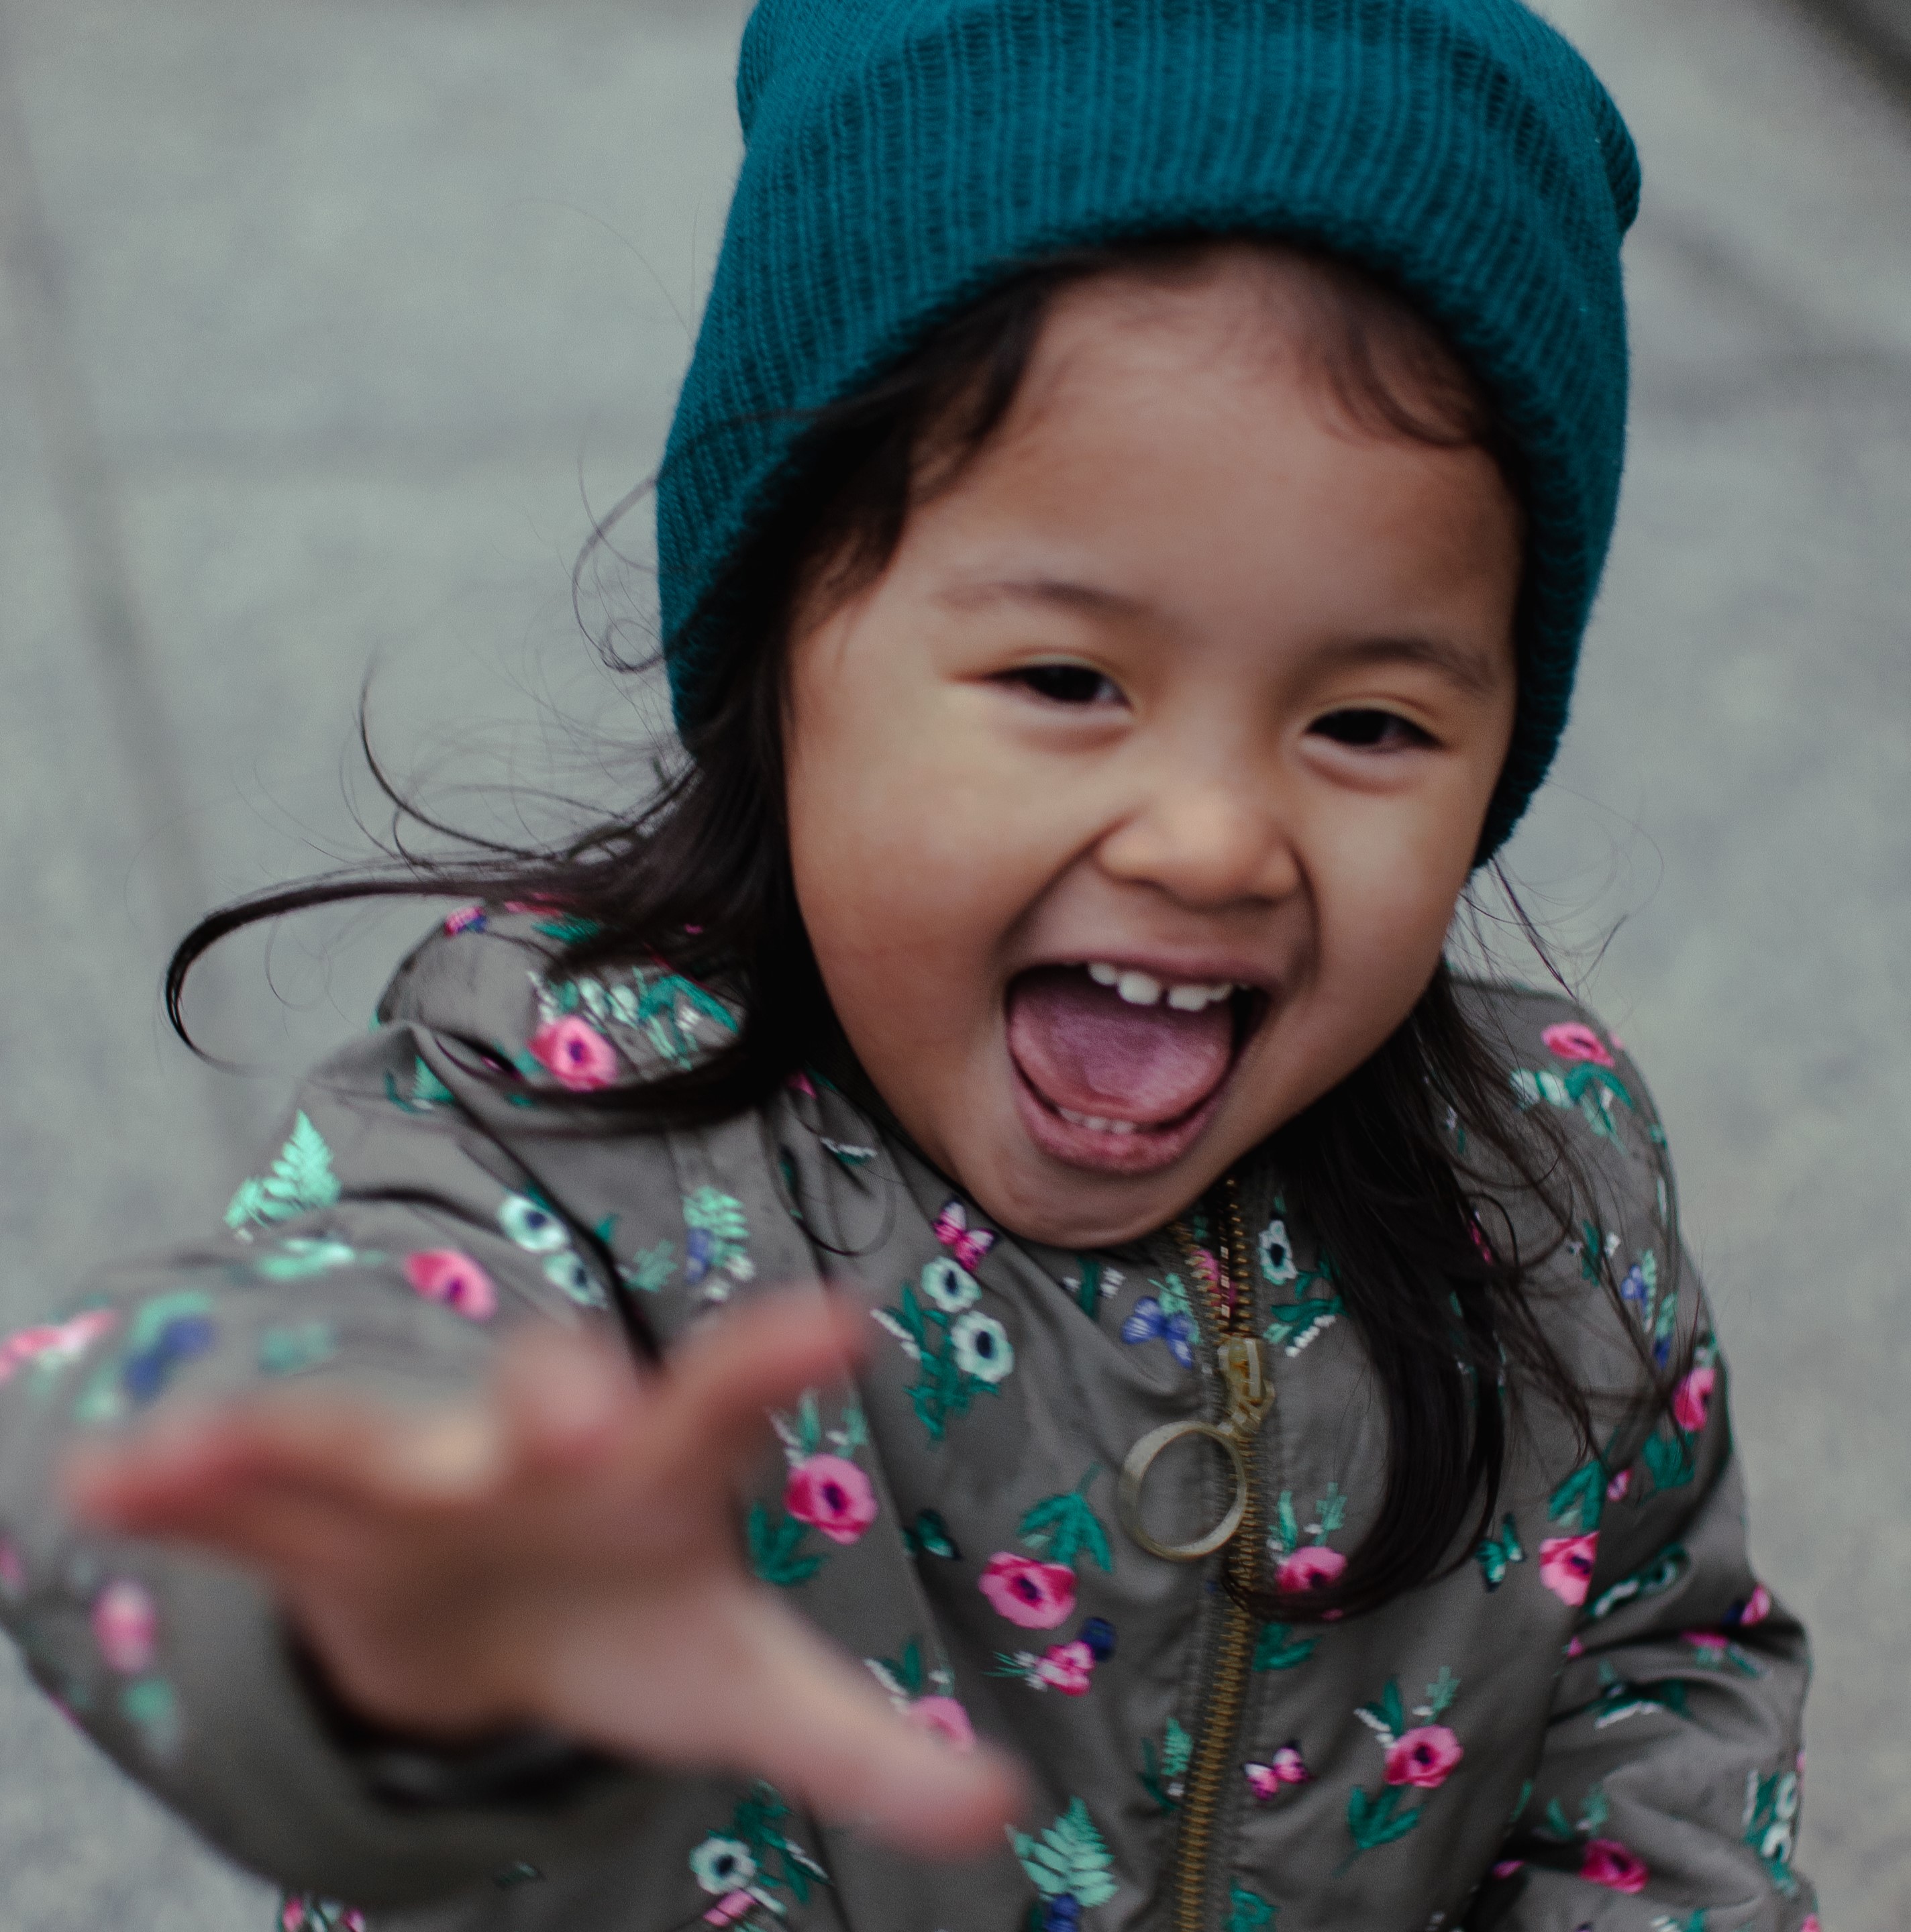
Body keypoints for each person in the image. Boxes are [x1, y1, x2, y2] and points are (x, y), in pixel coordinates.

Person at [0, 1, 1816, 1927]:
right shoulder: (563, 1127)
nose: (1211, 836)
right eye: (1066, 680)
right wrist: (378, 1582)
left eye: (1368, 721)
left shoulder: (1547, 1182)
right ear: (783, 645)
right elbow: (182, 1410)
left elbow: (1656, 1669)